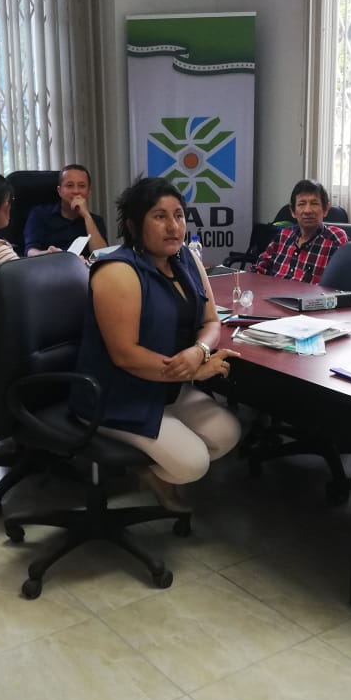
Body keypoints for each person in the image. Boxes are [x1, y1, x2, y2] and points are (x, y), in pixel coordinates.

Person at [72, 177, 241, 511]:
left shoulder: (187, 259)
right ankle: (150, 470)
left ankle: (153, 461)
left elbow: (211, 321)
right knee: (193, 463)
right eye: (159, 216)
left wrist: (198, 351)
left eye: (178, 215)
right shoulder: (117, 271)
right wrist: (191, 372)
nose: (173, 226)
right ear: (134, 225)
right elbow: (125, 355)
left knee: (228, 433)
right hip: (117, 394)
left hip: (165, 386)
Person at [254, 179, 348, 284]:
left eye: (314, 203)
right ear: (293, 211)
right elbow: (260, 267)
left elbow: (342, 283)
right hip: (273, 293)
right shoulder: (283, 236)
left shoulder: (335, 239)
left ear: (325, 209)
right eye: (301, 204)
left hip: (312, 295)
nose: (307, 210)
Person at [24, 164, 107, 256]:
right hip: (51, 263)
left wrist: (87, 216)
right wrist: (48, 254)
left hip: (84, 265)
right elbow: (30, 252)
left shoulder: (95, 220)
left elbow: (101, 255)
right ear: (59, 191)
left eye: (82, 186)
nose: (76, 191)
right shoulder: (39, 215)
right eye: (70, 185)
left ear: (88, 192)